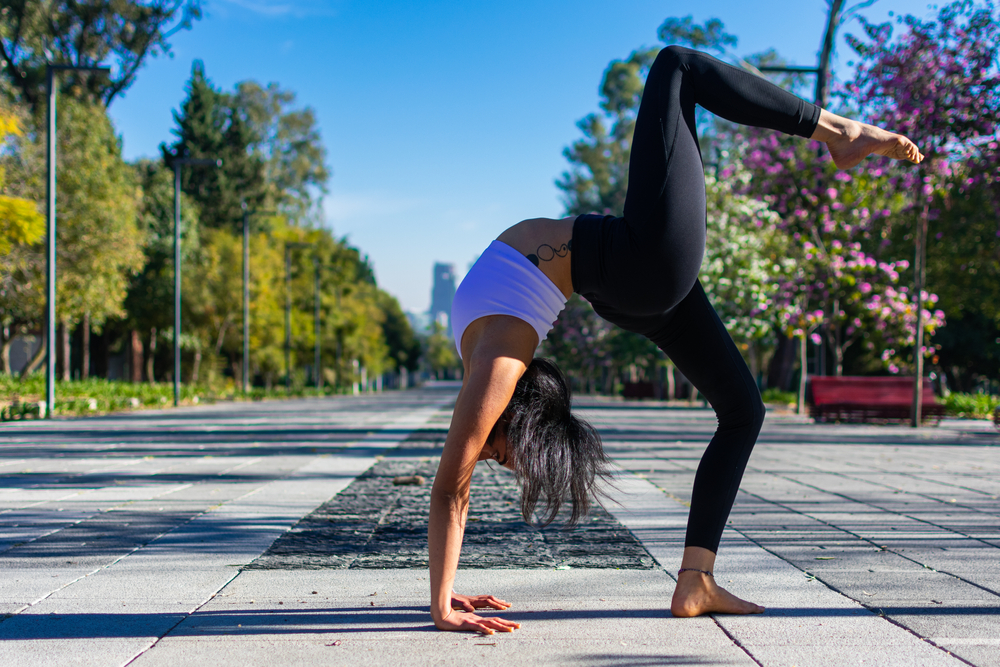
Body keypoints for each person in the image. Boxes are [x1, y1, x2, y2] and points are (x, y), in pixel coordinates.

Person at [428, 45, 923, 635]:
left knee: (743, 410)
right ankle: (838, 131)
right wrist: (443, 602)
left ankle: (696, 582)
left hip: (629, 281)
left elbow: (449, 491)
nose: (487, 453)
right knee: (675, 67)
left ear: (517, 416)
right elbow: (450, 490)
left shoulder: (494, 362)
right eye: (500, 455)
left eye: (498, 451)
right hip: (634, 269)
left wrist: (444, 595)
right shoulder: (498, 357)